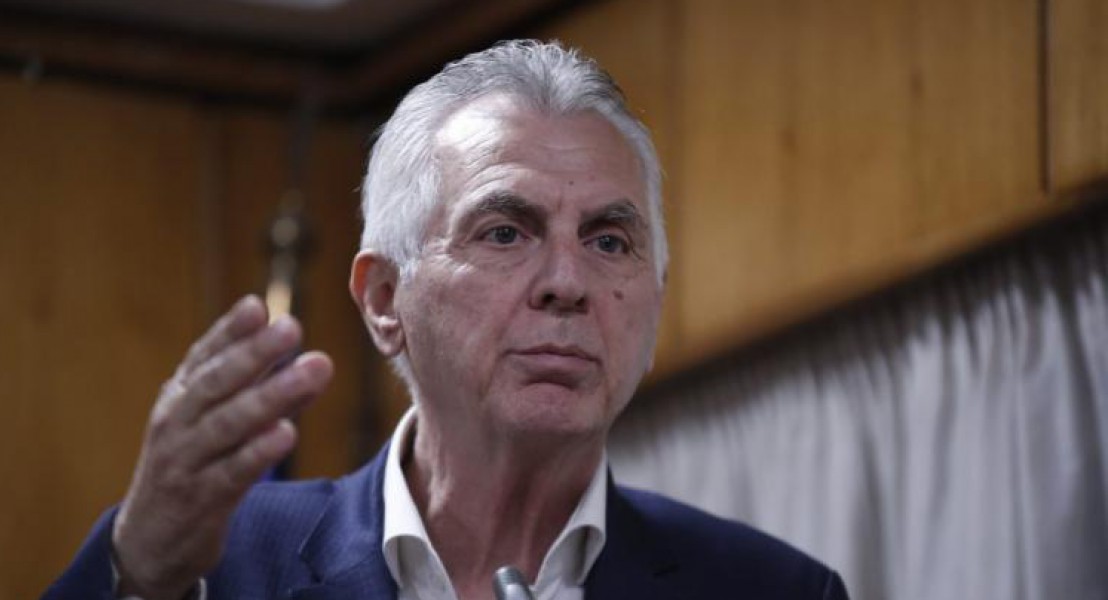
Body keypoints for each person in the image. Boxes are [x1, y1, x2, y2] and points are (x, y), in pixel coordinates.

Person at [46, 40, 849, 600]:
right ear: (383, 300)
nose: (567, 283)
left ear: (657, 298)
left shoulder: (770, 589)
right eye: (504, 233)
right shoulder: (219, 563)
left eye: (609, 241)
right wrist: (138, 577)